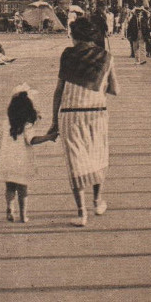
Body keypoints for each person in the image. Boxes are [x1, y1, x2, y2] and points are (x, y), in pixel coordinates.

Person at [46, 17, 119, 227]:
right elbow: (116, 90)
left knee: (75, 162)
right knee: (98, 157)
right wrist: (97, 84)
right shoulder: (106, 57)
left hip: (70, 114)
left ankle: (81, 213)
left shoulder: (67, 55)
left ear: (75, 36)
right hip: (97, 113)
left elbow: (59, 90)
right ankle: (97, 201)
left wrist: (54, 122)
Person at [0, 85, 54, 223]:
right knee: (22, 189)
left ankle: (10, 209)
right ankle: (23, 215)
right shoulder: (27, 124)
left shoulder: (7, 122)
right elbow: (32, 140)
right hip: (21, 161)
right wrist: (48, 137)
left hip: (7, 160)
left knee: (10, 187)